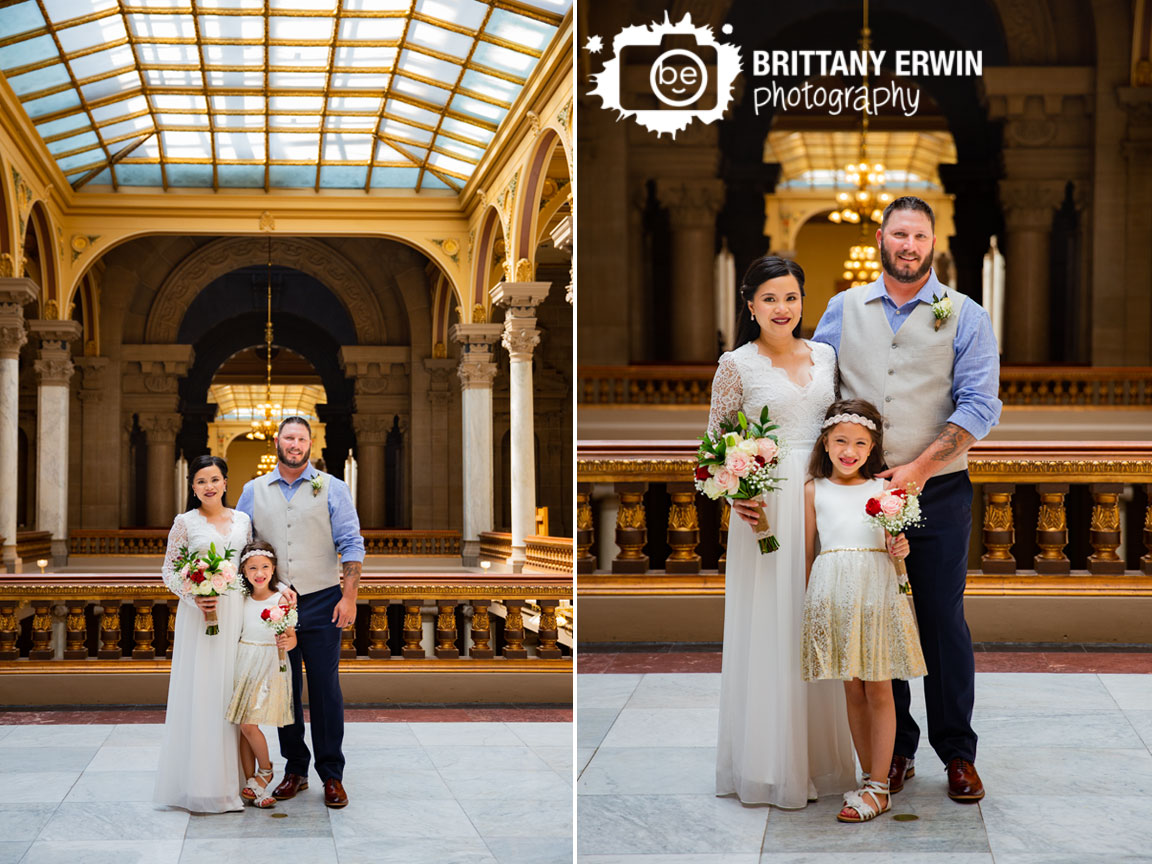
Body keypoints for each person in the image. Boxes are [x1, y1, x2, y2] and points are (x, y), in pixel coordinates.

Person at [812, 196, 1002, 802]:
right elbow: (817, 394)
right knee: (877, 619)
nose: (909, 245)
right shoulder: (843, 310)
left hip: (939, 492)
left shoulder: (966, 315)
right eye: (899, 235)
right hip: (861, 496)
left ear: (932, 241)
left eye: (919, 235)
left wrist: (918, 470)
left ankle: (958, 754)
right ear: (880, 239)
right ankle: (894, 751)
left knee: (942, 622)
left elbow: (981, 404)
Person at [710, 255, 856, 807]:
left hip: (823, 498)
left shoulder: (825, 354)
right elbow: (713, 447)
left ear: (803, 301)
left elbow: (841, 431)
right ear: (750, 305)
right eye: (770, 298)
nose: (782, 308)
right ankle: (770, 763)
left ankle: (819, 757)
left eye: (791, 297)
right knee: (773, 624)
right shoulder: (736, 364)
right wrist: (737, 491)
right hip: (765, 507)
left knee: (818, 617)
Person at [801, 400, 927, 823]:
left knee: (879, 687)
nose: (849, 450)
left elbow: (896, 550)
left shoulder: (884, 490)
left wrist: (901, 551)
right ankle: (866, 778)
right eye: (840, 441)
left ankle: (879, 786)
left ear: (872, 447)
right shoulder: (813, 489)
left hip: (875, 588)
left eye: (860, 443)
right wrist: (809, 604)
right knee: (851, 688)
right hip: (831, 591)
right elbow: (807, 554)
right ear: (825, 442)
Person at [236, 416, 364, 809]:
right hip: (275, 604)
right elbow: (239, 548)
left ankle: (332, 775)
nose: (295, 444)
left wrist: (349, 597)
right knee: (284, 691)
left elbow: (352, 544)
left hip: (324, 599)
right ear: (278, 441)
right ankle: (295, 769)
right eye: (289, 438)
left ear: (311, 443)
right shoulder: (253, 490)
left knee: (325, 689)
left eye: (302, 438)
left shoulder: (333, 488)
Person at [153, 454, 251, 813]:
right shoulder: (184, 523)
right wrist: (195, 595)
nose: (208, 487)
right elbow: (169, 570)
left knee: (231, 694)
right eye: (200, 482)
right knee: (203, 693)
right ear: (192, 488)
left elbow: (248, 565)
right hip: (199, 615)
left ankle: (236, 782)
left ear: (226, 482)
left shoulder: (243, 520)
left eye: (214, 479)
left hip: (236, 613)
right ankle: (201, 784)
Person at [225, 540, 296, 809]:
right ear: (243, 571)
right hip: (244, 660)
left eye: (265, 567)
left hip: (268, 662)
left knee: (249, 723)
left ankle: (265, 772)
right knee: (244, 726)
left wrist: (288, 643)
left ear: (273, 568)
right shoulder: (240, 599)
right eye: (252, 567)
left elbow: (292, 637)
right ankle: (252, 784)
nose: (259, 572)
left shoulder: (281, 599)